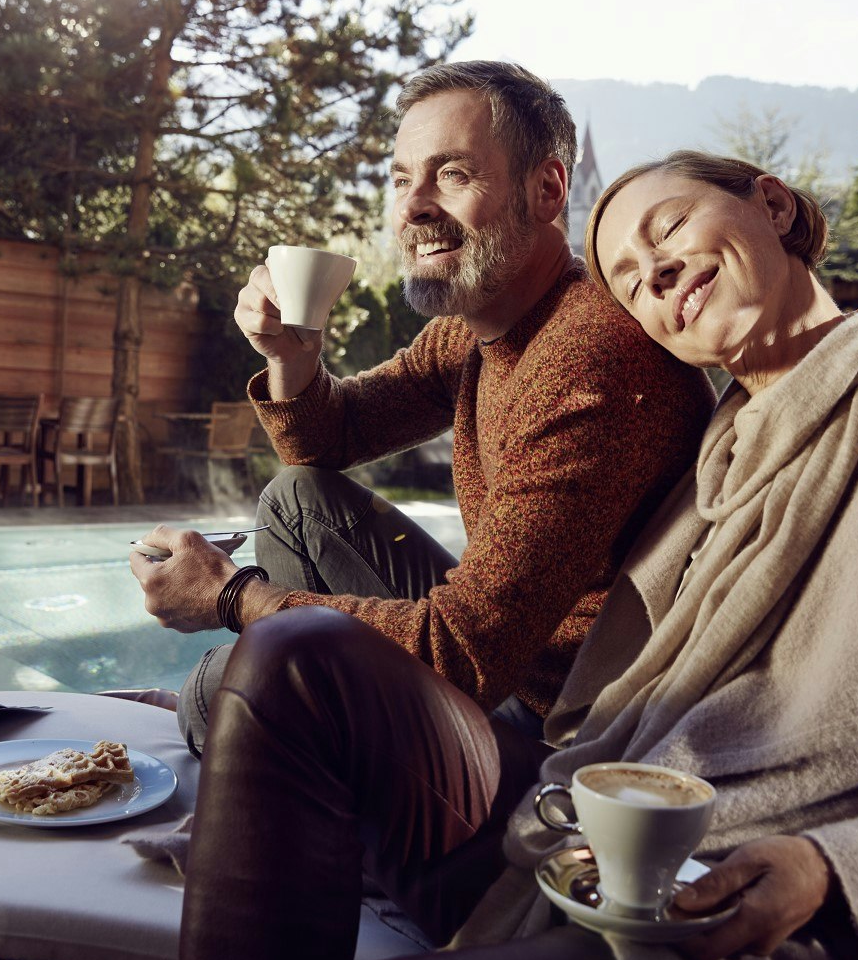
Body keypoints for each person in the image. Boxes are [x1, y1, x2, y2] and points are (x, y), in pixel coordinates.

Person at [169, 150, 858, 960]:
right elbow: (333, 438)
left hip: (760, 897)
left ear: (772, 205)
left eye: (671, 226)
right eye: (628, 277)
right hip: (612, 817)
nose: (652, 272)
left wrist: (834, 871)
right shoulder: (729, 445)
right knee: (296, 658)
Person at [130, 62, 714, 753]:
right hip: (504, 666)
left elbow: (460, 652)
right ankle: (294, 732)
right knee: (297, 500)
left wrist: (233, 596)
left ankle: (278, 737)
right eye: (403, 179)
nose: (412, 208)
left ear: (548, 188)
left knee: (219, 690)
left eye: (453, 174)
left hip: (563, 723)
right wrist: (292, 355)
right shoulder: (481, 327)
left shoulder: (588, 359)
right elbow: (327, 442)